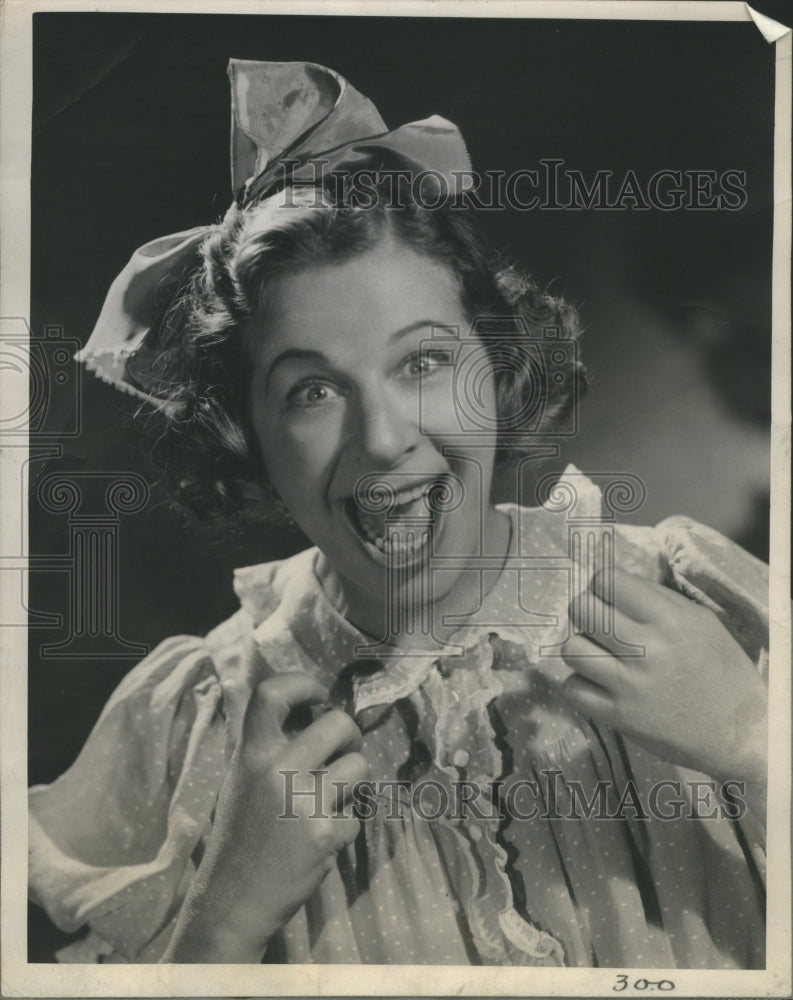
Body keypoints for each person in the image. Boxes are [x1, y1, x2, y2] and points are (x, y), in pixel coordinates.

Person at [28, 60, 768, 967]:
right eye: (310, 391)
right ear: (244, 436)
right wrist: (220, 922)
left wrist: (755, 747)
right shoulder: (193, 720)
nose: (382, 441)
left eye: (422, 363)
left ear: (496, 372)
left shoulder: (703, 604)